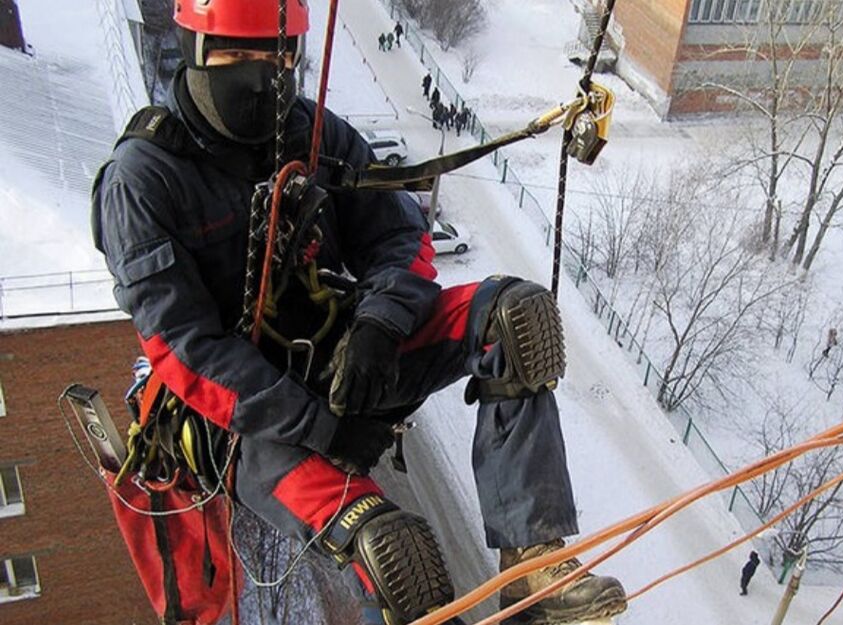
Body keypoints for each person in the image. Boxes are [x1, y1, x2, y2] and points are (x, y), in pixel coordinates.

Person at [90, 1, 627, 624]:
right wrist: (322, 429)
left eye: (279, 56)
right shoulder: (143, 180)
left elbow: (399, 233)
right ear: (196, 52)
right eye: (239, 56)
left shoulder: (308, 132)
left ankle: (532, 564)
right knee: (393, 555)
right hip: (242, 423)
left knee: (516, 317)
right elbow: (188, 352)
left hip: (330, 350)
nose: (264, 76)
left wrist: (379, 322)